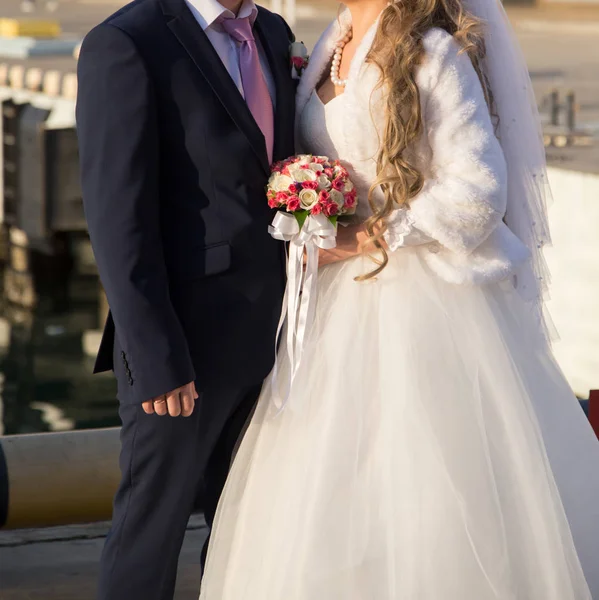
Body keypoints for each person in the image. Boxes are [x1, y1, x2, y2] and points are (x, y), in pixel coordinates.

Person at [198, 0, 599, 598]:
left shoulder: (434, 52)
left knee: (426, 478)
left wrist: (368, 235)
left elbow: (477, 190)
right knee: (327, 481)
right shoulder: (324, 47)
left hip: (422, 297)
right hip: (334, 305)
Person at [75, 0, 296, 597]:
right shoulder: (127, 42)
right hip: (183, 347)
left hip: (276, 335)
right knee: (152, 532)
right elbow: (119, 223)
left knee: (248, 527)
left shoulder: (272, 32)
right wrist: (157, 359)